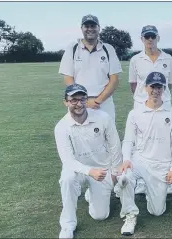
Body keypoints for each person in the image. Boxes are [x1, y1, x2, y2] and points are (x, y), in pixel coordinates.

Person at [115, 72, 172, 235]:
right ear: (146, 88)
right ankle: (130, 215)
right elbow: (128, 141)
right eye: (152, 86)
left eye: (159, 87)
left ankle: (148, 188)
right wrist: (126, 160)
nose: (155, 90)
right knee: (123, 177)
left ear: (164, 89)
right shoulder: (135, 113)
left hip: (161, 165)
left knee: (157, 211)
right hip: (140, 161)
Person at [54, 84, 122, 239]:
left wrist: (115, 172)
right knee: (67, 179)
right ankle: (67, 225)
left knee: (100, 216)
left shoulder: (103, 118)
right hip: (78, 170)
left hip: (102, 169)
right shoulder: (61, 127)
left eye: (82, 99)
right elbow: (67, 160)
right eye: (74, 100)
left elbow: (115, 146)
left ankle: (91, 195)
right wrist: (89, 171)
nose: (79, 104)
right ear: (66, 102)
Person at [128, 25, 172, 194]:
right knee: (140, 140)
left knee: (165, 138)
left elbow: (169, 84)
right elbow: (134, 85)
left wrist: (159, 98)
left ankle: (166, 178)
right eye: (146, 37)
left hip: (164, 102)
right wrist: (146, 99)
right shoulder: (135, 59)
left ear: (158, 38)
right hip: (142, 104)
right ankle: (141, 179)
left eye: (152, 36)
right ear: (142, 39)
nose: (150, 40)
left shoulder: (167, 58)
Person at [58, 14, 122, 121]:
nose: (90, 29)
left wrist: (97, 101)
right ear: (82, 28)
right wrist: (84, 101)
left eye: (93, 26)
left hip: (104, 103)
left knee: (107, 136)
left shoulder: (108, 49)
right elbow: (68, 78)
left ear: (98, 28)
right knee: (79, 135)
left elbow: (114, 80)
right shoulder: (72, 48)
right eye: (87, 26)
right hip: (79, 104)